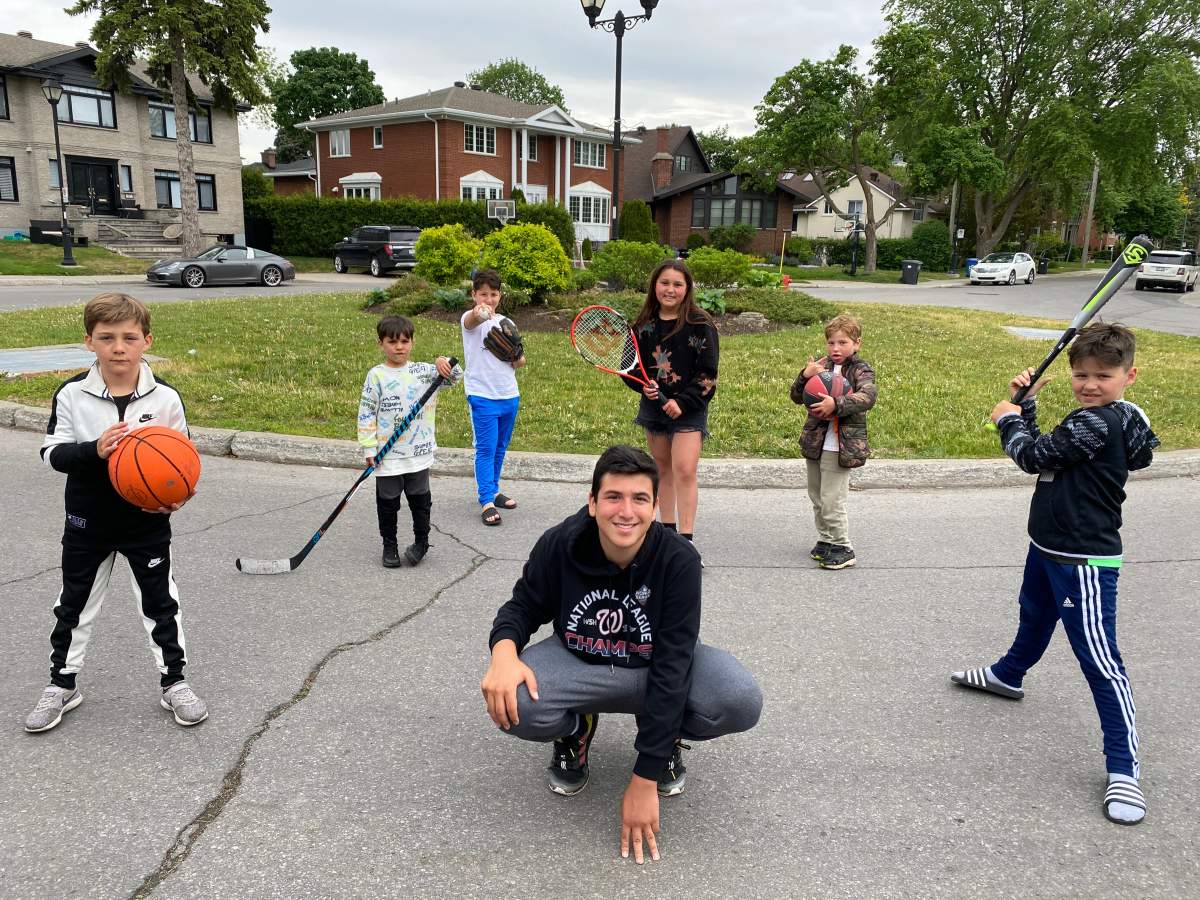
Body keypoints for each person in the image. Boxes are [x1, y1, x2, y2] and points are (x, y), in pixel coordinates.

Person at [480, 445, 762, 864]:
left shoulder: (679, 560)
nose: (625, 511)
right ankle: (575, 730)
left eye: (640, 499)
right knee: (513, 702)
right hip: (581, 660)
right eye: (613, 497)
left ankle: (661, 738)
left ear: (654, 507)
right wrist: (503, 654)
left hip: (655, 664)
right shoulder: (560, 544)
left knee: (739, 700)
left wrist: (644, 777)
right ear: (592, 503)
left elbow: (672, 665)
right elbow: (521, 607)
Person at [953, 323, 1158, 825]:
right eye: (1081, 374)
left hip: (1082, 561)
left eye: (1103, 376)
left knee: (1100, 660)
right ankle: (1007, 676)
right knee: (1034, 618)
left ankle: (1124, 769)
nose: (1089, 384)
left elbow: (1033, 457)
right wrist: (1028, 406)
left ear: (1128, 375)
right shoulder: (1101, 418)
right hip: (1047, 546)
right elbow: (1059, 455)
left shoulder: (1099, 422)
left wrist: (1008, 418)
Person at [25, 292, 206, 733]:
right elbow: (52, 453)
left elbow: (181, 459)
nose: (118, 347)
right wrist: (94, 449)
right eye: (107, 338)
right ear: (89, 342)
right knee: (74, 604)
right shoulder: (72, 394)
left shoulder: (164, 398)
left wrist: (181, 494)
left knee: (160, 603)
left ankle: (174, 683)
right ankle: (62, 685)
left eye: (129, 337)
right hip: (88, 521)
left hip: (145, 521)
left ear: (147, 341)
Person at [627, 260, 718, 554]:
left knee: (684, 469)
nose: (670, 289)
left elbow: (708, 375)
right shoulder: (642, 325)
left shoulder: (701, 324)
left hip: (690, 408)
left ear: (687, 289)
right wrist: (644, 386)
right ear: (655, 285)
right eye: (665, 283)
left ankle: (686, 542)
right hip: (655, 409)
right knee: (662, 469)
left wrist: (682, 402)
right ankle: (666, 535)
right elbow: (628, 369)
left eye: (678, 284)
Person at [358, 315, 461, 568]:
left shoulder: (424, 372)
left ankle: (421, 542)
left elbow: (456, 375)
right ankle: (389, 545)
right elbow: (366, 412)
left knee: (420, 498)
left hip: (418, 451)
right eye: (392, 342)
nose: (399, 347)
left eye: (405, 341)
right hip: (388, 454)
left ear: (412, 342)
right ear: (380, 343)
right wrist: (369, 447)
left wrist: (443, 362)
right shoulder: (376, 375)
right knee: (388, 501)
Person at [790, 313, 877, 570]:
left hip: (841, 445)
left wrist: (835, 403)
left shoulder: (861, 369)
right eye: (831, 343)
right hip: (817, 442)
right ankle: (826, 539)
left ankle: (842, 546)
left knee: (832, 499)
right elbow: (797, 396)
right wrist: (805, 376)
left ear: (856, 343)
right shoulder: (822, 366)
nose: (835, 348)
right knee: (816, 495)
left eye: (842, 342)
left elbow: (868, 397)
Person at [460, 268, 524, 526]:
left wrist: (515, 355)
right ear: (474, 294)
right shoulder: (469, 319)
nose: (488, 299)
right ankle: (485, 499)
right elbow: (474, 318)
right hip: (482, 395)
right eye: (483, 294)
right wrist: (479, 313)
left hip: (509, 394)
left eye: (493, 294)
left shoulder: (507, 323)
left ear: (500, 295)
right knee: (485, 449)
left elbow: (520, 361)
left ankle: (494, 490)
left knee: (500, 447)